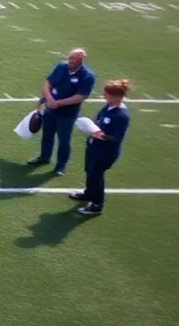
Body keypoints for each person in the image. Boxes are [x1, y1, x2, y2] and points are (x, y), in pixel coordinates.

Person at [29, 48, 95, 177]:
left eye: (74, 59)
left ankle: (61, 166)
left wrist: (58, 103)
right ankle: (44, 157)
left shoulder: (87, 76)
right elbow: (47, 83)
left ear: (81, 60)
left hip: (67, 114)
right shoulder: (61, 67)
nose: (70, 61)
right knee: (47, 135)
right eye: (70, 58)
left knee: (64, 140)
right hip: (50, 109)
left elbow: (80, 97)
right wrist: (48, 99)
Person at [70, 79, 131, 216]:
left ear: (117, 97)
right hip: (94, 147)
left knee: (96, 176)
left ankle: (97, 205)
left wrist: (100, 135)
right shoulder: (107, 107)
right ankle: (89, 193)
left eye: (107, 95)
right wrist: (89, 124)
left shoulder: (121, 116)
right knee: (89, 172)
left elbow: (116, 138)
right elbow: (98, 122)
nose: (104, 97)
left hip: (105, 152)